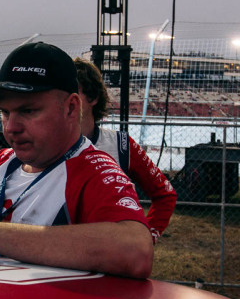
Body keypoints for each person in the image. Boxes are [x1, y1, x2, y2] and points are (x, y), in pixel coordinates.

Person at [0, 42, 153, 279]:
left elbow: (136, 251)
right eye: (5, 112)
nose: (11, 128)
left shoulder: (94, 170)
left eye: (28, 111)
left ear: (70, 108)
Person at [74, 57, 177, 243]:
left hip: (110, 261)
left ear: (93, 97)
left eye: (74, 92)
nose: (67, 100)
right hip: (59, 261)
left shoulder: (121, 145)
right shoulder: (45, 148)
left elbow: (165, 194)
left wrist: (145, 238)